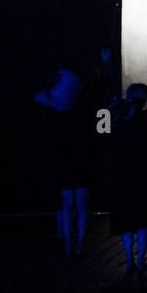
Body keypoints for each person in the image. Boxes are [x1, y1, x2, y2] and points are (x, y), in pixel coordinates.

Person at [34, 50, 107, 258]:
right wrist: (105, 64)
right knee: (81, 204)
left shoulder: (53, 105)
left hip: (65, 156)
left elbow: (38, 98)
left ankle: (68, 243)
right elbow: (101, 83)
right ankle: (79, 243)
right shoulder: (82, 99)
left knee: (67, 204)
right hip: (81, 155)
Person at [109, 76, 147, 272]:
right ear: (144, 99)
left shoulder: (116, 118)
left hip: (121, 170)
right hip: (143, 171)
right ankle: (141, 260)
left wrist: (110, 107)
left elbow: (101, 133)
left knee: (127, 221)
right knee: (143, 220)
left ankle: (128, 261)